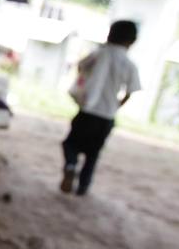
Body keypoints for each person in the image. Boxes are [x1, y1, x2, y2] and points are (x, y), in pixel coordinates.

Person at [60, 20, 141, 196]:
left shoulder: (98, 54)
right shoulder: (129, 64)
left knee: (70, 144)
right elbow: (131, 91)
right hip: (106, 116)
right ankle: (83, 187)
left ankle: (71, 164)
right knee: (93, 154)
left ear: (110, 34)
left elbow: (81, 67)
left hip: (87, 112)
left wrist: (84, 84)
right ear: (132, 41)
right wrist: (117, 105)